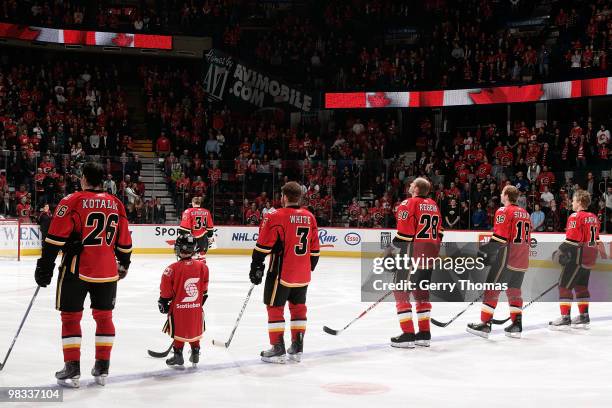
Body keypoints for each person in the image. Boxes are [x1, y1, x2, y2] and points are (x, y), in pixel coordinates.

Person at [34, 162, 132, 387]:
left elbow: (54, 239)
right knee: (105, 318)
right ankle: (102, 367)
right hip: (107, 272)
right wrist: (124, 263)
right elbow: (125, 243)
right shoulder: (116, 203)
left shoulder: (72, 200)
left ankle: (72, 368)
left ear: (85, 178)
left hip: (76, 269)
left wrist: (44, 266)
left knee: (70, 317)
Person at [249, 181, 320, 363]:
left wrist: (256, 266)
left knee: (274, 307)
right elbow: (315, 251)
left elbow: (263, 246)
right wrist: (306, 266)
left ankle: (278, 347)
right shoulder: (309, 216)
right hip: (303, 275)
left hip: (281, 272)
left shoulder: (275, 216)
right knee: (298, 308)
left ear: (285, 197)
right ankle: (297, 347)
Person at [467, 185, 531, 339]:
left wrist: (483, 250)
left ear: (507, 196)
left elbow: (499, 239)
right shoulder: (525, 214)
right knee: (514, 291)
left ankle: (485, 324)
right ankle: (517, 325)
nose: (501, 195)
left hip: (506, 258)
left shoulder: (503, 211)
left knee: (491, 289)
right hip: (522, 259)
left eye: (502, 193)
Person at [390, 177, 443, 348]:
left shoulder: (409, 203)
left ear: (416, 189)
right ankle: (424, 333)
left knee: (400, 291)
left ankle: (407, 334)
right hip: (430, 254)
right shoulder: (433, 205)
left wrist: (390, 251)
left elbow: (404, 235)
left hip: (411, 254)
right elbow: (440, 231)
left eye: (412, 184)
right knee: (421, 293)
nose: (410, 185)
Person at [549, 190, 601, 330]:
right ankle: (584, 316)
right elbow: (595, 239)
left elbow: (572, 240)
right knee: (581, 287)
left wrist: (559, 252)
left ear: (579, 201)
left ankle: (565, 317)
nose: (571, 202)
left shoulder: (575, 216)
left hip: (578, 257)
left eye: (573, 200)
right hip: (590, 257)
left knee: (564, 286)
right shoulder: (594, 217)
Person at [158, 234, 209, 367]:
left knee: (179, 329)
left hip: (179, 308)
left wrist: (163, 301)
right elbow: (204, 288)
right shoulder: (203, 266)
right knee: (194, 328)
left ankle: (178, 355)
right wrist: (201, 298)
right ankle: (195, 352)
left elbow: (166, 291)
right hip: (196, 307)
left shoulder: (171, 269)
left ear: (180, 249)